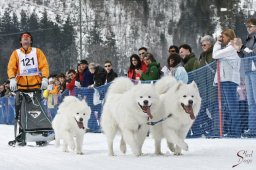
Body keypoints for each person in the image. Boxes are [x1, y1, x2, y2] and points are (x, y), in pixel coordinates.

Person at [7, 32, 49, 146]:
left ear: (31, 41)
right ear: (20, 41)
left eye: (28, 39)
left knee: (37, 112)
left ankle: (39, 135)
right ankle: (22, 135)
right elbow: (11, 67)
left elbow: (44, 65)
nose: (25, 40)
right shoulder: (16, 53)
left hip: (35, 86)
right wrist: (12, 78)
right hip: (20, 87)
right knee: (20, 112)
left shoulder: (37, 52)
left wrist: (45, 78)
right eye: (23, 39)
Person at [212, 28, 241, 137]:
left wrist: (218, 42)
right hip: (225, 80)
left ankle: (235, 132)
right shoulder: (229, 48)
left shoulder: (231, 48)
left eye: (223, 36)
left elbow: (214, 55)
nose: (221, 38)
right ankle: (232, 131)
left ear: (229, 37)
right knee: (229, 107)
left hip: (229, 80)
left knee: (232, 107)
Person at [233, 18, 256, 137]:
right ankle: (252, 130)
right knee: (251, 103)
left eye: (250, 26)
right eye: (247, 27)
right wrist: (238, 49)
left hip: (254, 71)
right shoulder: (249, 39)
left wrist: (242, 48)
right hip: (248, 71)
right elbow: (244, 54)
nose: (248, 29)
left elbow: (253, 54)